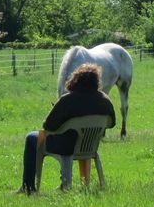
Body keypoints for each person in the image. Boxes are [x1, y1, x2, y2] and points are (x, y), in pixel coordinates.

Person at [19, 64, 115, 194]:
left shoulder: (67, 100)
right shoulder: (105, 100)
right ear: (96, 82)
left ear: (75, 80)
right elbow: (112, 123)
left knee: (31, 137)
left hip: (65, 147)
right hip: (90, 147)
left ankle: (28, 187)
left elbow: (48, 126)